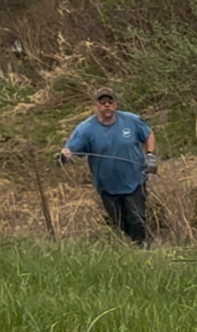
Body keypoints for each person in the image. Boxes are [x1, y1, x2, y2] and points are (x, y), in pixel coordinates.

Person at [59, 87, 155, 245]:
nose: (107, 105)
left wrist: (150, 155)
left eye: (110, 102)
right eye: (102, 102)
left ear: (115, 104)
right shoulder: (86, 128)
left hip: (134, 180)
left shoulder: (130, 120)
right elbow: (72, 148)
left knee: (137, 219)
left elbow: (148, 134)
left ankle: (143, 249)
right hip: (107, 186)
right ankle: (129, 247)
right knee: (120, 222)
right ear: (96, 105)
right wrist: (64, 155)